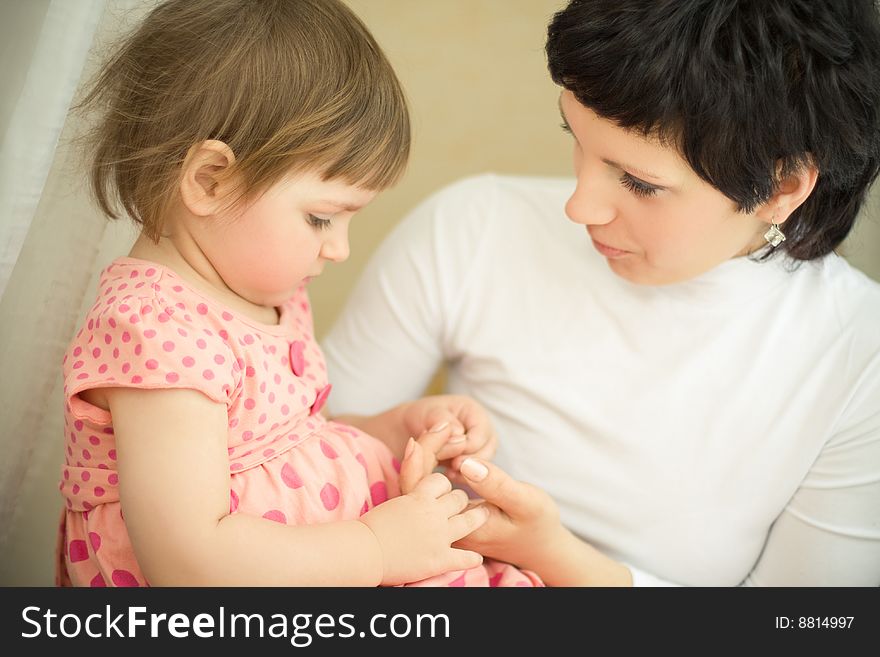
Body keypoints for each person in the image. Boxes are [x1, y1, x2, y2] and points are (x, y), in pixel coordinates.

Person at [323, 0, 880, 586]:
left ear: (782, 186)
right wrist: (393, 434)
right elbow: (301, 449)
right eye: (577, 138)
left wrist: (555, 557)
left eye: (640, 182)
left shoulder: (858, 356)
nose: (578, 206)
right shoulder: (474, 227)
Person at [55, 0, 546, 588]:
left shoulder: (261, 292)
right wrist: (377, 548)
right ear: (210, 180)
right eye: (320, 218)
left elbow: (292, 444)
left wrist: (393, 428)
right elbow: (190, 563)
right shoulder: (157, 335)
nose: (338, 248)